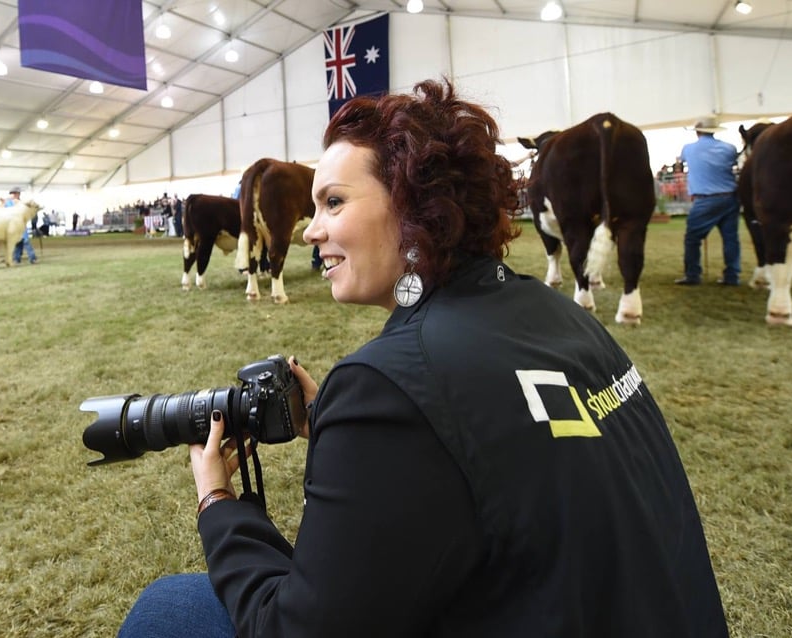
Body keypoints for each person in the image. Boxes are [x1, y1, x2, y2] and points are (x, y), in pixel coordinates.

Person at [118, 80, 729, 638]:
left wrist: (218, 504)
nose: (310, 231)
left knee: (164, 611)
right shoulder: (557, 313)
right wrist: (343, 429)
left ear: (414, 208)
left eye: (334, 202)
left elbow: (295, 630)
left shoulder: (389, 383)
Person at [674, 116, 741, 285]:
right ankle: (732, 276)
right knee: (730, 238)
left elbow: (680, 162)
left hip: (705, 199)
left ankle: (693, 274)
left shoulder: (688, 149)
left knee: (692, 238)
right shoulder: (729, 148)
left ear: (698, 131)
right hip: (730, 197)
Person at [7, 187, 38, 265]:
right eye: (13, 193)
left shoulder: (22, 202)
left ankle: (32, 257)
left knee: (25, 241)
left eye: (16, 193)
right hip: (14, 224)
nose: (15, 195)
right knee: (18, 242)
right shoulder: (8, 203)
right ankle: (17, 258)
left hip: (21, 224)